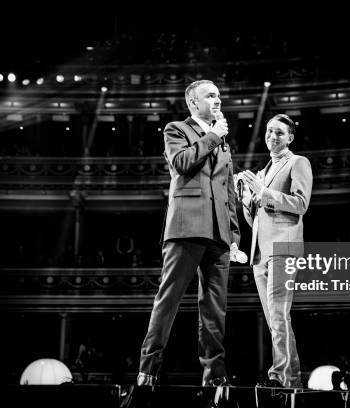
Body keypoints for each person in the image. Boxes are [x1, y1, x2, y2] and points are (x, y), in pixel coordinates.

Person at [137, 80, 242, 387]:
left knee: (214, 310)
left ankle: (215, 379)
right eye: (211, 96)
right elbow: (182, 163)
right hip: (186, 229)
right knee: (167, 301)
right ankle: (148, 372)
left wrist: (234, 234)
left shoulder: (222, 141)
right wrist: (213, 136)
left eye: (219, 95)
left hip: (219, 235)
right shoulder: (176, 129)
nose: (218, 100)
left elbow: (228, 191)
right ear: (194, 103)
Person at [239, 114, 313, 388]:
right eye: (270, 131)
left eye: (279, 133)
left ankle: (279, 377)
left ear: (290, 137)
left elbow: (301, 204)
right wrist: (249, 200)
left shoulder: (298, 162)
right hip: (260, 251)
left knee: (279, 315)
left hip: (284, 246)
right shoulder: (264, 170)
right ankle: (291, 379)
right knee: (275, 319)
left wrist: (265, 193)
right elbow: (257, 218)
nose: (272, 136)